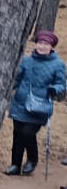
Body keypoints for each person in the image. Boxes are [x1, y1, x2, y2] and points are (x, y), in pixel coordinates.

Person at [8, 30, 65, 176]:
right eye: (40, 43)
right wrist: (9, 89)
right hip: (20, 102)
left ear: (52, 47)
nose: (42, 46)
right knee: (18, 133)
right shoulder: (26, 61)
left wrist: (54, 89)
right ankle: (15, 165)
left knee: (27, 132)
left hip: (39, 106)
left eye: (46, 44)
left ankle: (32, 159)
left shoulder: (58, 64)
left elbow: (62, 84)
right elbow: (17, 79)